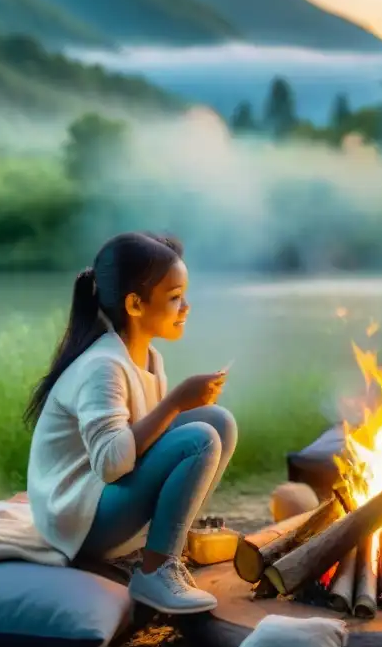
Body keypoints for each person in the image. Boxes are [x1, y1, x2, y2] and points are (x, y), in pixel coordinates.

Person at [24, 232, 236, 614]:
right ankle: (156, 573)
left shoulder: (150, 357)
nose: (185, 306)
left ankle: (168, 543)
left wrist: (179, 404)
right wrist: (174, 403)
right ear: (136, 304)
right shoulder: (103, 366)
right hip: (79, 516)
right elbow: (110, 464)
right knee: (200, 439)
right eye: (174, 297)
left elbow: (139, 446)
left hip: (109, 499)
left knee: (218, 422)